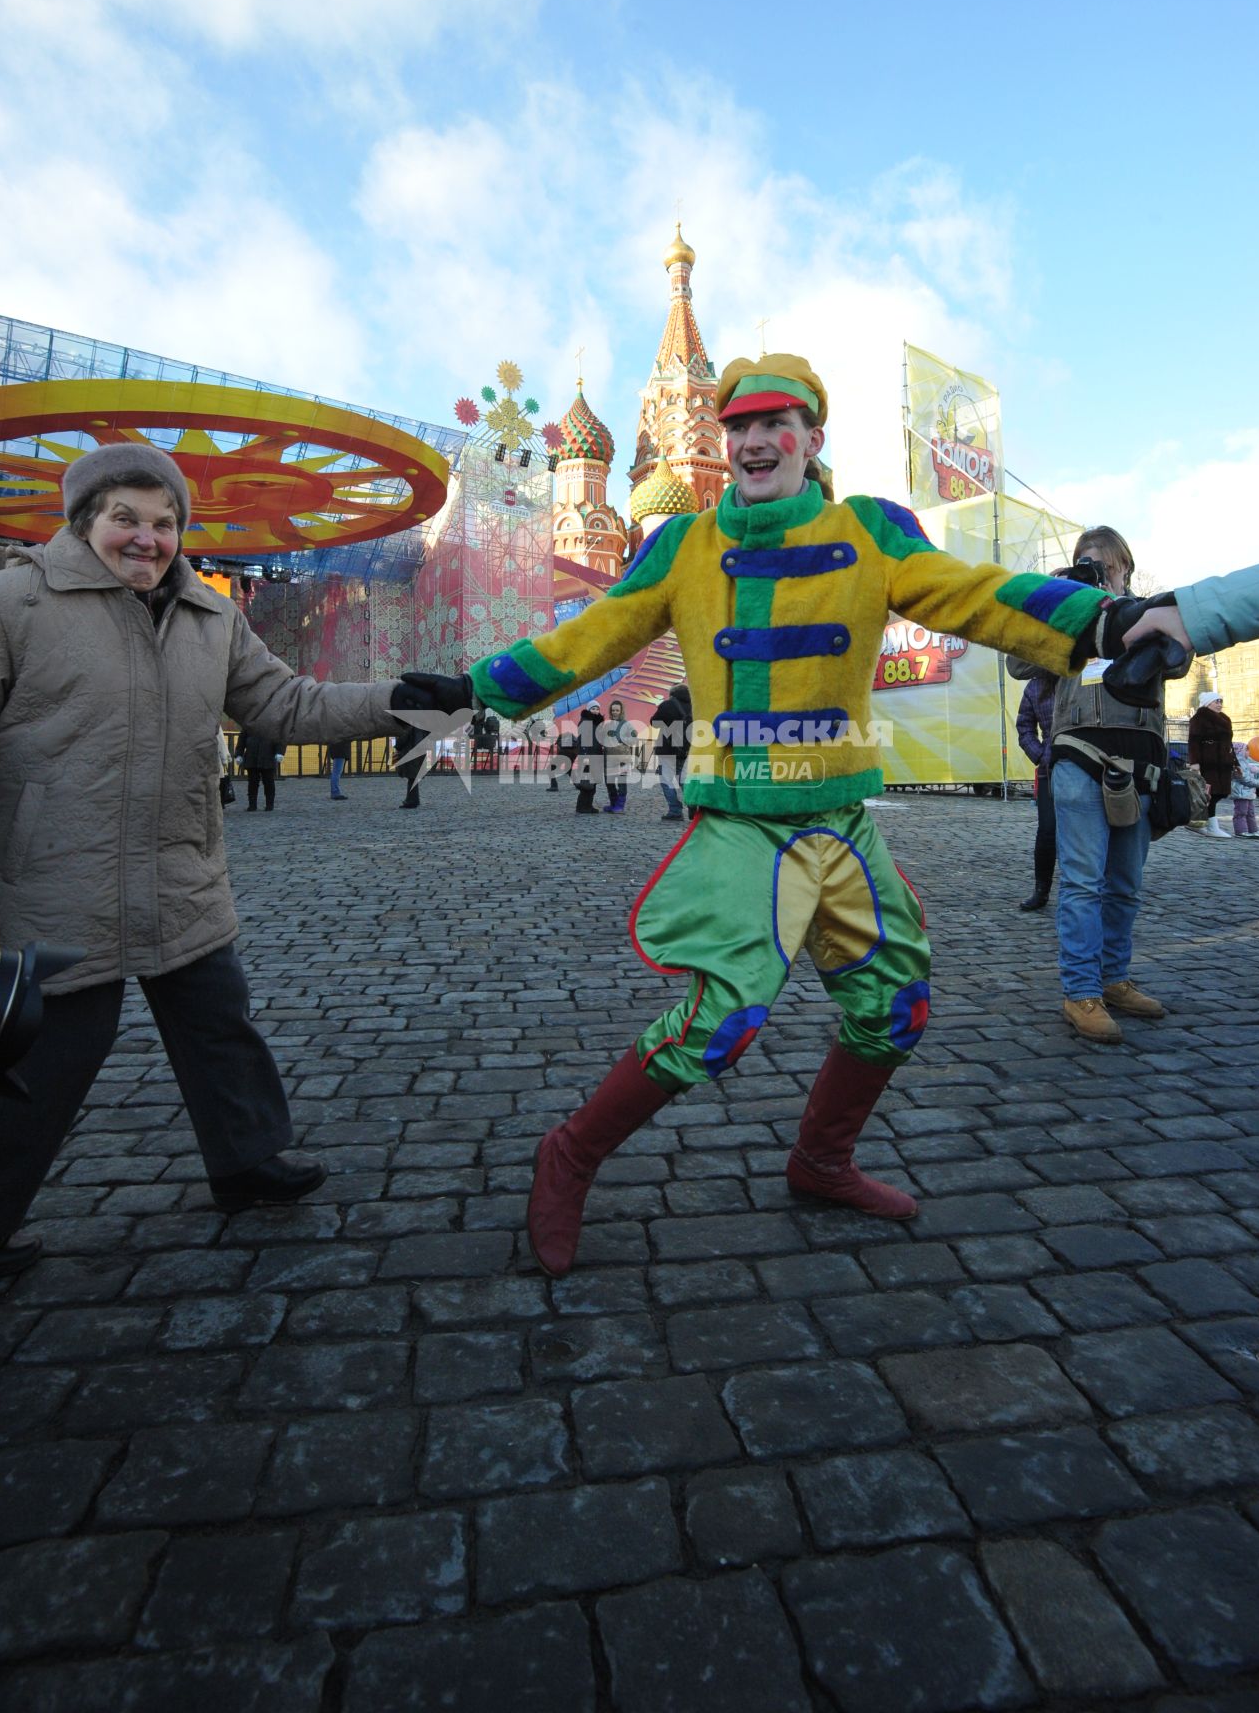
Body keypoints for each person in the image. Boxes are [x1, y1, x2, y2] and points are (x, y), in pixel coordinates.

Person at [446, 352, 1111, 1275]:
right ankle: (571, 1154)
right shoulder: (682, 547)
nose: (754, 441)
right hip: (742, 826)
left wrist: (1098, 621)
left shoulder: (868, 533)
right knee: (721, 1023)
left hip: (840, 823)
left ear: (811, 439)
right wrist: (474, 686)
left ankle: (820, 1162)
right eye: (738, 427)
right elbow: (587, 635)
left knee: (895, 1005)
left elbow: (969, 594)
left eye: (774, 423)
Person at [0, 443, 441, 1277]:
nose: (146, 539)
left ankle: (246, 1162)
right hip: (51, 880)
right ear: (85, 519)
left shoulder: (210, 614)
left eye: (164, 523)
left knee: (219, 1027)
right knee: (42, 1062)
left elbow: (287, 703)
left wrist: (395, 700)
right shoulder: (18, 599)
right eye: (125, 518)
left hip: (179, 868)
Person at [1014, 525, 1187, 1044]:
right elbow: (1017, 661)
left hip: (1139, 762)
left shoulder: (1150, 611)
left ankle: (1114, 980)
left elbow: (1180, 661)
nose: (1097, 573)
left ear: (1125, 567)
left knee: (1125, 886)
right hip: (1078, 757)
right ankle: (1081, 991)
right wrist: (1057, 598)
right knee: (1084, 883)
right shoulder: (1070, 616)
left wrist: (1129, 614)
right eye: (1086, 564)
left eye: (1104, 566)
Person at [1120, 559, 1259, 656]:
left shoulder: (1142, 610)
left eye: (1108, 567)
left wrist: (1192, 616)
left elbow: (1177, 667)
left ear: (1125, 566)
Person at [1015, 672, 1056, 911]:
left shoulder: (1084, 678)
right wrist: (1040, 755)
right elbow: (1024, 727)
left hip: (1086, 765)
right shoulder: (1036, 685)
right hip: (1050, 768)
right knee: (1047, 832)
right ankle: (1042, 890)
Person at [1188, 692, 1239, 839]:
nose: (1219, 704)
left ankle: (1202, 823)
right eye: (1216, 701)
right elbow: (1193, 741)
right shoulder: (1199, 718)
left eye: (1220, 701)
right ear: (1207, 703)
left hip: (1223, 762)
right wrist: (1195, 763)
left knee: (1220, 793)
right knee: (1210, 793)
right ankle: (1210, 825)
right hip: (1208, 761)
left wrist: (1236, 763)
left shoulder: (1225, 719)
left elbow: (1229, 744)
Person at [651, 682, 692, 821]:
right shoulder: (694, 706)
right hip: (685, 749)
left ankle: (675, 810)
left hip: (667, 749)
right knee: (683, 779)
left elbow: (654, 722)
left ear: (672, 693)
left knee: (666, 780)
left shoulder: (667, 705)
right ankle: (693, 802)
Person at [600, 695, 636, 813]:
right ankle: (613, 803)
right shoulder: (607, 724)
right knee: (609, 782)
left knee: (621, 782)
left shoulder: (627, 725)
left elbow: (634, 739)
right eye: (613, 710)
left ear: (621, 711)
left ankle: (620, 805)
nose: (615, 712)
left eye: (617, 710)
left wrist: (621, 740)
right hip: (609, 758)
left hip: (622, 757)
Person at [238, 726, 283, 811]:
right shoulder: (249, 724)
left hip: (267, 758)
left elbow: (278, 739)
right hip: (253, 758)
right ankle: (252, 805)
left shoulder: (272, 725)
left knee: (268, 782)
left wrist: (279, 752)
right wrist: (239, 754)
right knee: (252, 783)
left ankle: (269, 805)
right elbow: (241, 740)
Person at [1230, 739, 1259, 839]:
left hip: (1248, 792)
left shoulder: (1246, 762)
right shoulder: (1238, 763)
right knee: (1241, 812)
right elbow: (1244, 778)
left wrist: (1258, 773)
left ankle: (1253, 830)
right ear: (1240, 751)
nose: (1249, 752)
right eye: (1247, 750)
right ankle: (1241, 831)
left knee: (1250, 812)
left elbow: (1250, 776)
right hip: (1240, 792)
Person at [573, 703, 604, 815]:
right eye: (593, 708)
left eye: (597, 709)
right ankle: (582, 807)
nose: (596, 711)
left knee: (592, 783)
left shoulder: (596, 723)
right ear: (588, 710)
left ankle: (588, 805)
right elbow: (584, 741)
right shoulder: (586, 722)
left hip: (595, 755)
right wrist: (585, 756)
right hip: (588, 756)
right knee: (586, 784)